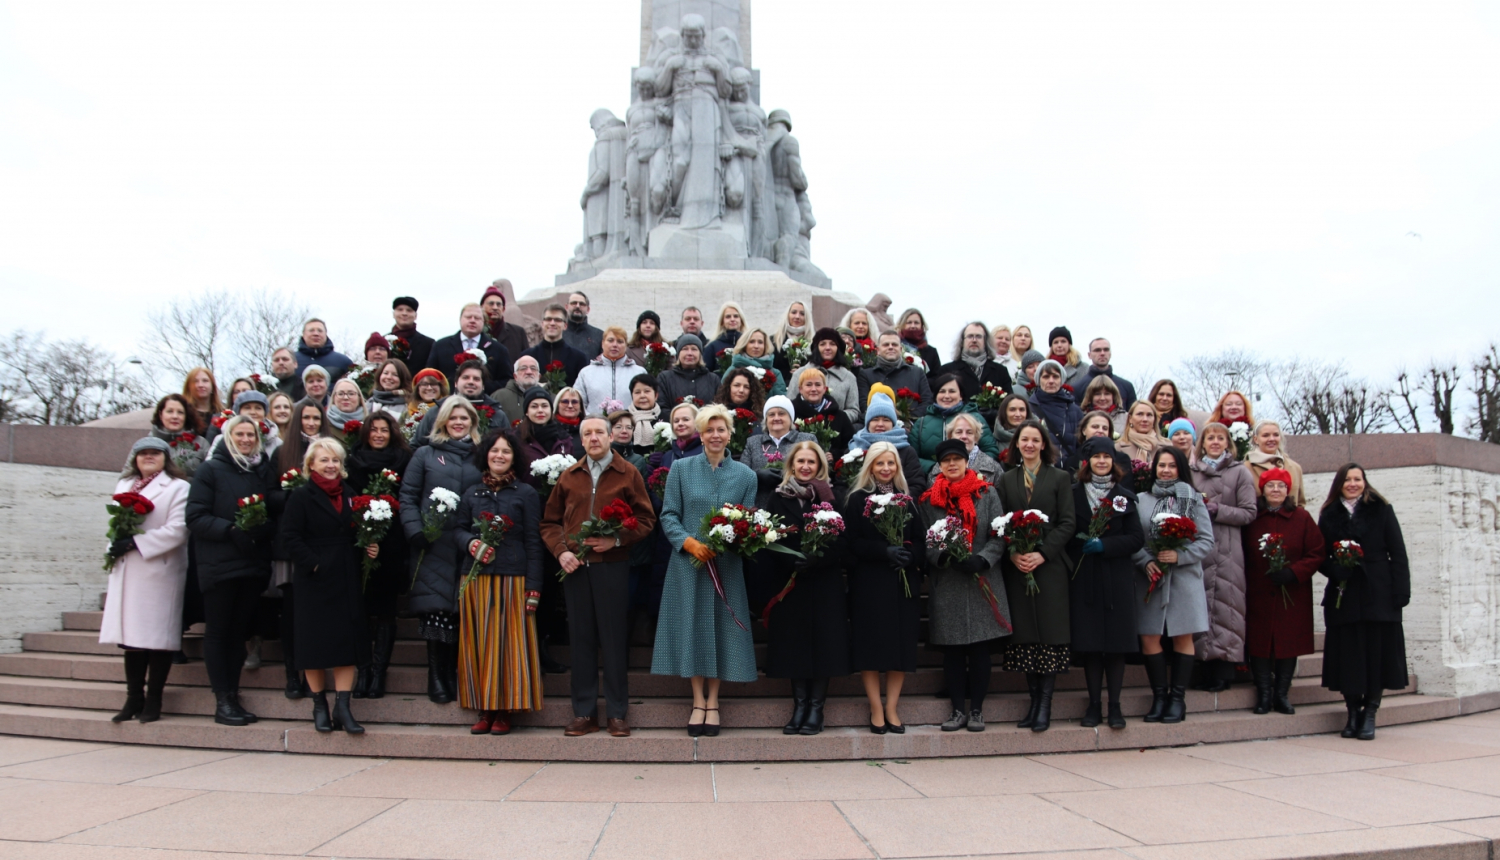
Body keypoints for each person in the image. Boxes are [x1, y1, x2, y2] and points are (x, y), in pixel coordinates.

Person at [540, 417, 656, 737]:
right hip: (576, 567)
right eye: (587, 433)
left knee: (614, 639)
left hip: (613, 566)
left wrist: (615, 540)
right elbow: (549, 522)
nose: (593, 438)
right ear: (581, 440)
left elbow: (645, 519)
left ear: (610, 436)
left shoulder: (627, 472)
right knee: (581, 639)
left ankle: (617, 713)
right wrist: (562, 551)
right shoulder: (569, 476)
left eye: (598, 432)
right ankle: (584, 713)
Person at [651, 404, 759, 736]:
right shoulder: (681, 470)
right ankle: (697, 700)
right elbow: (668, 515)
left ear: (730, 434)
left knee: (720, 630)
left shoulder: (746, 475)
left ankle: (714, 701)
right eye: (709, 430)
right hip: (688, 566)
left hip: (725, 566)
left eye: (721, 429)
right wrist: (688, 543)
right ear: (700, 434)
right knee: (692, 628)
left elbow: (749, 521)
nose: (715, 435)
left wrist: (733, 540)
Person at [452, 429, 546, 735]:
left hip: (513, 578)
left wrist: (534, 586)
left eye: (506, 451)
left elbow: (534, 541)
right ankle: (484, 708)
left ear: (513, 457)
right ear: (486, 455)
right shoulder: (471, 493)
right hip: (476, 578)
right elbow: (457, 530)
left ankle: (505, 710)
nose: (500, 456)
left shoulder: (526, 494)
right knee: (478, 643)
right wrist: (470, 543)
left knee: (508, 645)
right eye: (494, 451)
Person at [186, 414, 274, 726]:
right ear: (228, 436)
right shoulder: (210, 470)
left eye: (252, 434)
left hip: (250, 566)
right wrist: (231, 531)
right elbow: (195, 517)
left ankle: (233, 697)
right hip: (220, 565)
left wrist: (263, 530)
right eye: (240, 434)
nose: (247, 439)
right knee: (219, 632)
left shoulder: (259, 471)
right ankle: (221, 699)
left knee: (238, 634)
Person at [279, 438, 370, 734]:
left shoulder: (350, 495)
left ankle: (343, 707)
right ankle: (319, 704)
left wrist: (368, 547)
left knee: (346, 642)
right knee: (314, 643)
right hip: (314, 579)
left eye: (335, 460)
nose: (331, 466)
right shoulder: (301, 496)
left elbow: (357, 530)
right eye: (324, 460)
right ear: (310, 465)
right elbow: (290, 537)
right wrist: (315, 563)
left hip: (345, 575)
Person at [922, 438, 1012, 733]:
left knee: (980, 651)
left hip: (982, 580)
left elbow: (999, 534)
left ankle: (976, 710)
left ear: (966, 462)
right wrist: (944, 557)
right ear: (939, 466)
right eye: (946, 460)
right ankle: (957, 710)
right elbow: (926, 540)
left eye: (956, 459)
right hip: (949, 582)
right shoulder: (930, 500)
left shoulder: (987, 493)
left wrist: (983, 559)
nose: (951, 464)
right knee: (954, 651)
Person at [400, 396, 484, 704]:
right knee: (436, 611)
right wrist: (415, 530)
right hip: (433, 544)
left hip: (467, 545)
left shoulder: (480, 456)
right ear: (444, 421)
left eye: (465, 418)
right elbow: (408, 495)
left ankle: (456, 673)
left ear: (473, 422)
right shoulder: (425, 454)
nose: (459, 422)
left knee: (462, 613)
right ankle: (436, 675)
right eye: (453, 418)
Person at [100, 437, 191, 723]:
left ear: (166, 458)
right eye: (143, 454)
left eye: (155, 453)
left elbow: (178, 529)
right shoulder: (124, 485)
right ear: (135, 458)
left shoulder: (178, 487)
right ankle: (133, 698)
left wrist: (136, 543)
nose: (149, 457)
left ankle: (154, 700)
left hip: (158, 569)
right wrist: (115, 545)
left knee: (157, 639)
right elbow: (114, 524)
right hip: (128, 570)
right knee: (132, 640)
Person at [1317, 464, 1408, 741]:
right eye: (1348, 480)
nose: (1353, 484)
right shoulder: (1329, 514)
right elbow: (1319, 554)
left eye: (1358, 479)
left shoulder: (1381, 509)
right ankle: (1352, 710)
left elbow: (1398, 552)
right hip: (1345, 593)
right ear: (1339, 484)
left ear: (1365, 482)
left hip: (1378, 591)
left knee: (1376, 653)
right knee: (1349, 654)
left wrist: (1401, 591)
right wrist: (1335, 570)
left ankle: (1370, 711)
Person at [994, 420, 1075, 731]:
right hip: (1018, 565)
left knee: (1049, 635)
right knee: (1026, 635)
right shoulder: (1007, 479)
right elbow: (1001, 520)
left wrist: (1043, 553)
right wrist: (1014, 552)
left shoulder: (1060, 478)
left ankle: (1045, 705)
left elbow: (1067, 522)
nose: (1028, 445)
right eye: (1023, 440)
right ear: (1016, 445)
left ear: (1044, 444)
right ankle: (1032, 702)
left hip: (1049, 566)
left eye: (1034, 440)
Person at [764, 441, 848, 735]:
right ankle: (799, 706)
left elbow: (843, 542)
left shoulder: (832, 497)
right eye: (800, 461)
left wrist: (818, 557)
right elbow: (768, 539)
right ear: (791, 465)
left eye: (811, 462)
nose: (805, 467)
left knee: (823, 645)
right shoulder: (776, 498)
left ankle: (816, 709)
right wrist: (790, 560)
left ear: (819, 466)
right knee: (795, 646)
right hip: (791, 584)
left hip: (823, 584)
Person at [1133, 446, 1215, 724]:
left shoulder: (1194, 501)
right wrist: (1145, 560)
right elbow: (1134, 539)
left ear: (1181, 468)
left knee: (1182, 636)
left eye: (1171, 465)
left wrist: (1180, 556)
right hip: (1150, 579)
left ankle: (1177, 699)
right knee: (1149, 637)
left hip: (1184, 579)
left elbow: (1205, 540)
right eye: (1161, 465)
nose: (1165, 470)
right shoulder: (1140, 500)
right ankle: (1159, 697)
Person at [1067, 436, 1144, 729]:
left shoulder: (1124, 495)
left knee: (1114, 645)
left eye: (1107, 457)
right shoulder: (1074, 494)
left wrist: (1107, 545)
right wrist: (1082, 544)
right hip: (1085, 578)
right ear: (1087, 462)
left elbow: (1136, 538)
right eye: (1096, 457)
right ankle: (1094, 705)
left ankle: (1115, 705)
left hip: (1116, 580)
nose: (1102, 461)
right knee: (1090, 645)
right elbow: (1066, 530)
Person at [844, 441, 921, 733]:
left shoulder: (907, 500)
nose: (886, 469)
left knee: (900, 647)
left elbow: (920, 539)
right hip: (870, 584)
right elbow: (852, 544)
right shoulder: (856, 500)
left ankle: (892, 707)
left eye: (891, 464)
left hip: (902, 583)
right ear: (871, 466)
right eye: (880, 463)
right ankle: (876, 707)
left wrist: (909, 555)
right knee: (871, 646)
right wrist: (883, 551)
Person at [1244, 467, 1324, 716]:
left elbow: (1317, 552)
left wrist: (1294, 572)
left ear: (1288, 490)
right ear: (1263, 489)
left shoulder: (1301, 517)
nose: (1275, 490)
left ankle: (1281, 694)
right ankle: (1264, 694)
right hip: (1259, 589)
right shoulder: (1253, 518)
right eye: (1270, 485)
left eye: (1280, 486)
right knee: (1259, 643)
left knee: (1288, 643)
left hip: (1291, 593)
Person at [345, 413, 412, 699]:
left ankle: (379, 674)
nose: (379, 435)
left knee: (385, 610)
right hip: (357, 539)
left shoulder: (403, 459)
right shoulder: (353, 460)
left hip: (392, 541)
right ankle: (363, 670)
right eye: (374, 430)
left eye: (384, 430)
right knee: (360, 610)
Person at [1189, 423, 1258, 693]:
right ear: (1202, 443)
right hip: (1197, 548)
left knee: (1226, 609)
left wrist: (1217, 509)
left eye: (1221, 438)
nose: (1215, 442)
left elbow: (1249, 512)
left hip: (1228, 550)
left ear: (1228, 443)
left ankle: (1223, 670)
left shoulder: (1240, 472)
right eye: (1210, 438)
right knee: (1200, 606)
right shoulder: (1192, 472)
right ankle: (1201, 667)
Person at [272, 400, 332, 699]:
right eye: (306, 417)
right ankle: (291, 673)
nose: (311, 422)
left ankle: (317, 672)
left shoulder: (331, 451)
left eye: (316, 417)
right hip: (292, 546)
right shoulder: (283, 452)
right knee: (292, 611)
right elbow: (267, 493)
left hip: (324, 545)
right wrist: (295, 493)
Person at [914, 374, 1000, 473]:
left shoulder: (975, 418)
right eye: (942, 391)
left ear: (961, 396)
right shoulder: (921, 423)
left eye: (952, 391)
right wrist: (938, 467)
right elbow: (913, 458)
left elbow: (991, 450)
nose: (946, 396)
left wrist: (970, 470)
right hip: (933, 481)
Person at [848, 389, 928, 495]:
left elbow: (917, 485)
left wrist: (893, 503)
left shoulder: (906, 451)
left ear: (893, 423)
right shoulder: (855, 447)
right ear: (868, 423)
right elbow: (842, 485)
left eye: (886, 420)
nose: (880, 424)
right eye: (875, 419)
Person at [427, 303, 513, 393]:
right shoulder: (441, 346)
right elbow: (430, 376)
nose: (472, 321)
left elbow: (506, 381)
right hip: (449, 401)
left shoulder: (499, 349)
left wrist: (481, 386)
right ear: (460, 319)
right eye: (468, 317)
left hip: (485, 402)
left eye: (477, 318)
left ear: (484, 322)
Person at [411, 361, 500, 447]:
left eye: (476, 379)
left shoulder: (497, 414)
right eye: (465, 377)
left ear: (483, 385)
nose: (471, 382)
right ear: (456, 383)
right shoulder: (436, 411)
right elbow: (417, 446)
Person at [789, 328, 860, 425]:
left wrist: (834, 420)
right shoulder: (799, 374)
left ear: (838, 348)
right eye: (822, 344)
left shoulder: (849, 377)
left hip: (836, 432)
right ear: (816, 348)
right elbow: (789, 406)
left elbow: (854, 410)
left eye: (832, 344)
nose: (827, 347)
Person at [932, 321, 1015, 404]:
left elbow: (1008, 403)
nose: (974, 340)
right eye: (970, 336)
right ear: (962, 342)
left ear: (985, 342)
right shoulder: (946, 370)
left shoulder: (1000, 371)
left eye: (978, 336)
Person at [860, 330, 933, 415]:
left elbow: (927, 402)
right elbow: (863, 405)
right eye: (886, 345)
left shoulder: (917, 372)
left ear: (900, 349)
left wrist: (906, 418)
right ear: (878, 350)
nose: (890, 347)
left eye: (894, 344)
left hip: (912, 425)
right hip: (878, 425)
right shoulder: (866, 374)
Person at [789, 367, 854, 459]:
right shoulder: (791, 414)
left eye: (818, 385)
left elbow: (850, 445)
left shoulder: (840, 416)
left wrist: (835, 455)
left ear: (824, 388)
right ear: (800, 389)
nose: (813, 389)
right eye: (808, 385)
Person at [1029, 359, 1083, 467]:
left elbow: (1081, 442)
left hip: (1067, 472)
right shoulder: (1029, 408)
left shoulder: (1074, 410)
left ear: (1061, 379)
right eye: (1046, 377)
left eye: (1055, 376)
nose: (1051, 381)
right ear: (1039, 380)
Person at [740, 395, 813, 474]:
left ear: (790, 418)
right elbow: (743, 475)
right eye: (771, 415)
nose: (776, 418)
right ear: (766, 419)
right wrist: (760, 475)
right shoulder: (753, 442)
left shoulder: (806, 440)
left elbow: (816, 470)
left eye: (781, 414)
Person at [576, 326, 641, 415]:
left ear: (626, 345)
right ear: (602, 344)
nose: (615, 345)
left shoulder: (639, 373)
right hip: (595, 426)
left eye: (620, 341)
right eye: (610, 340)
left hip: (627, 426)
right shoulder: (586, 373)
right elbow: (579, 403)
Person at [523, 304, 590, 386]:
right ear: (542, 324)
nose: (552, 323)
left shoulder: (578, 358)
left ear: (565, 326)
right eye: (548, 319)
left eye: (557, 320)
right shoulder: (528, 356)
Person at [1245, 420, 1307, 507]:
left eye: (1276, 435)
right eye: (1266, 435)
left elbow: (1300, 503)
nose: (1271, 439)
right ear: (1256, 439)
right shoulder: (1245, 469)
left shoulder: (1295, 468)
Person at [930, 412, 1003, 484]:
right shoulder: (938, 469)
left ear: (976, 437)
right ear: (950, 436)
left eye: (969, 432)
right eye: (959, 432)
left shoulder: (993, 468)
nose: (964, 436)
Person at [516, 387, 576, 468]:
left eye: (544, 406)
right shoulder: (517, 438)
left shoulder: (564, 439)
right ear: (526, 412)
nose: (540, 410)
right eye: (534, 406)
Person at [151, 393, 208, 476]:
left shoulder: (201, 443)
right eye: (170, 411)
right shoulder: (148, 442)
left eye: (180, 412)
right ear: (160, 414)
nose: (175, 416)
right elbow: (128, 474)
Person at [656, 333, 720, 407]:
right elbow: (662, 406)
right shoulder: (665, 378)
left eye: (694, 349)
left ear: (700, 354)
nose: (690, 353)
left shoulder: (713, 379)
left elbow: (719, 407)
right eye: (685, 349)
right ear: (678, 354)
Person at [1074, 338, 1137, 407]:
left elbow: (1132, 415)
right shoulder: (1077, 388)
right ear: (1089, 355)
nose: (1102, 353)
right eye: (1097, 350)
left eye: (1106, 350)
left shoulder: (1127, 386)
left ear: (1110, 353)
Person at [725, 328, 787, 396]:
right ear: (745, 345)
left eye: (760, 342)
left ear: (765, 346)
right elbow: (723, 397)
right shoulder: (733, 370)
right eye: (752, 342)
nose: (756, 346)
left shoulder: (775, 373)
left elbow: (780, 400)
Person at [480, 283, 530, 361]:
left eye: (498, 304)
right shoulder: (476, 333)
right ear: (482, 307)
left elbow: (527, 361)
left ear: (503, 309)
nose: (495, 307)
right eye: (491, 304)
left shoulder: (518, 333)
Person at [651, 401, 703, 472]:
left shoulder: (708, 451)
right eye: (676, 421)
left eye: (686, 419)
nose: (680, 423)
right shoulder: (667, 456)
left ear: (697, 422)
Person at [389, 296, 435, 372]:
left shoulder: (428, 344)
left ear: (415, 316)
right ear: (393, 314)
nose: (404, 313)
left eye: (409, 310)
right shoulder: (383, 341)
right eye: (400, 310)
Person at [1116, 400, 1166, 468]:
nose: (1145, 419)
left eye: (1149, 415)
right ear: (1130, 418)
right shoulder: (1118, 448)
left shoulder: (1167, 447)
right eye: (1140, 414)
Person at [770, 300, 814, 377]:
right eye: (793, 312)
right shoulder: (773, 340)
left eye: (802, 314)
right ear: (788, 315)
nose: (797, 316)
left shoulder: (814, 343)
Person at [496, 356, 542, 425]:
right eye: (523, 368)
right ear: (515, 376)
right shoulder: (499, 397)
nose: (529, 372)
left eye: (533, 368)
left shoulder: (551, 397)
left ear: (539, 376)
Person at [405, 368, 450, 440]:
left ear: (440, 387)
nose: (429, 388)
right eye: (424, 384)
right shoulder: (407, 411)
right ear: (417, 388)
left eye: (433, 384)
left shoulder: (450, 408)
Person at [625, 374, 661, 456]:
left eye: (647, 391)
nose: (642, 396)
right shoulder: (624, 417)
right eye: (637, 392)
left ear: (656, 395)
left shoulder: (666, 416)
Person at [563, 291, 604, 360]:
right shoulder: (558, 333)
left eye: (582, 304)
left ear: (588, 309)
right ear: (566, 307)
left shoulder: (599, 335)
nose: (578, 306)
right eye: (574, 303)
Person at [705, 301, 747, 365]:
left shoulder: (749, 344)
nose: (732, 319)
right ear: (722, 322)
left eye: (736, 316)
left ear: (741, 320)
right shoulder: (712, 347)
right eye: (728, 317)